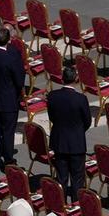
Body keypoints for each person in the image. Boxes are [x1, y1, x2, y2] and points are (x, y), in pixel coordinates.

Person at [45, 65, 92, 201]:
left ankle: (61, 205)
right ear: (76, 79)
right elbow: (87, 121)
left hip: (59, 142)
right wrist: (77, 131)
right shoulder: (81, 99)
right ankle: (76, 207)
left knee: (61, 178)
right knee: (77, 179)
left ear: (62, 79)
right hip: (76, 143)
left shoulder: (53, 96)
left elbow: (52, 117)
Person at [0, 27, 26, 171]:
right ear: (9, 39)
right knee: (8, 132)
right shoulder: (12, 58)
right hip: (8, 100)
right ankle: (8, 160)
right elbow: (19, 81)